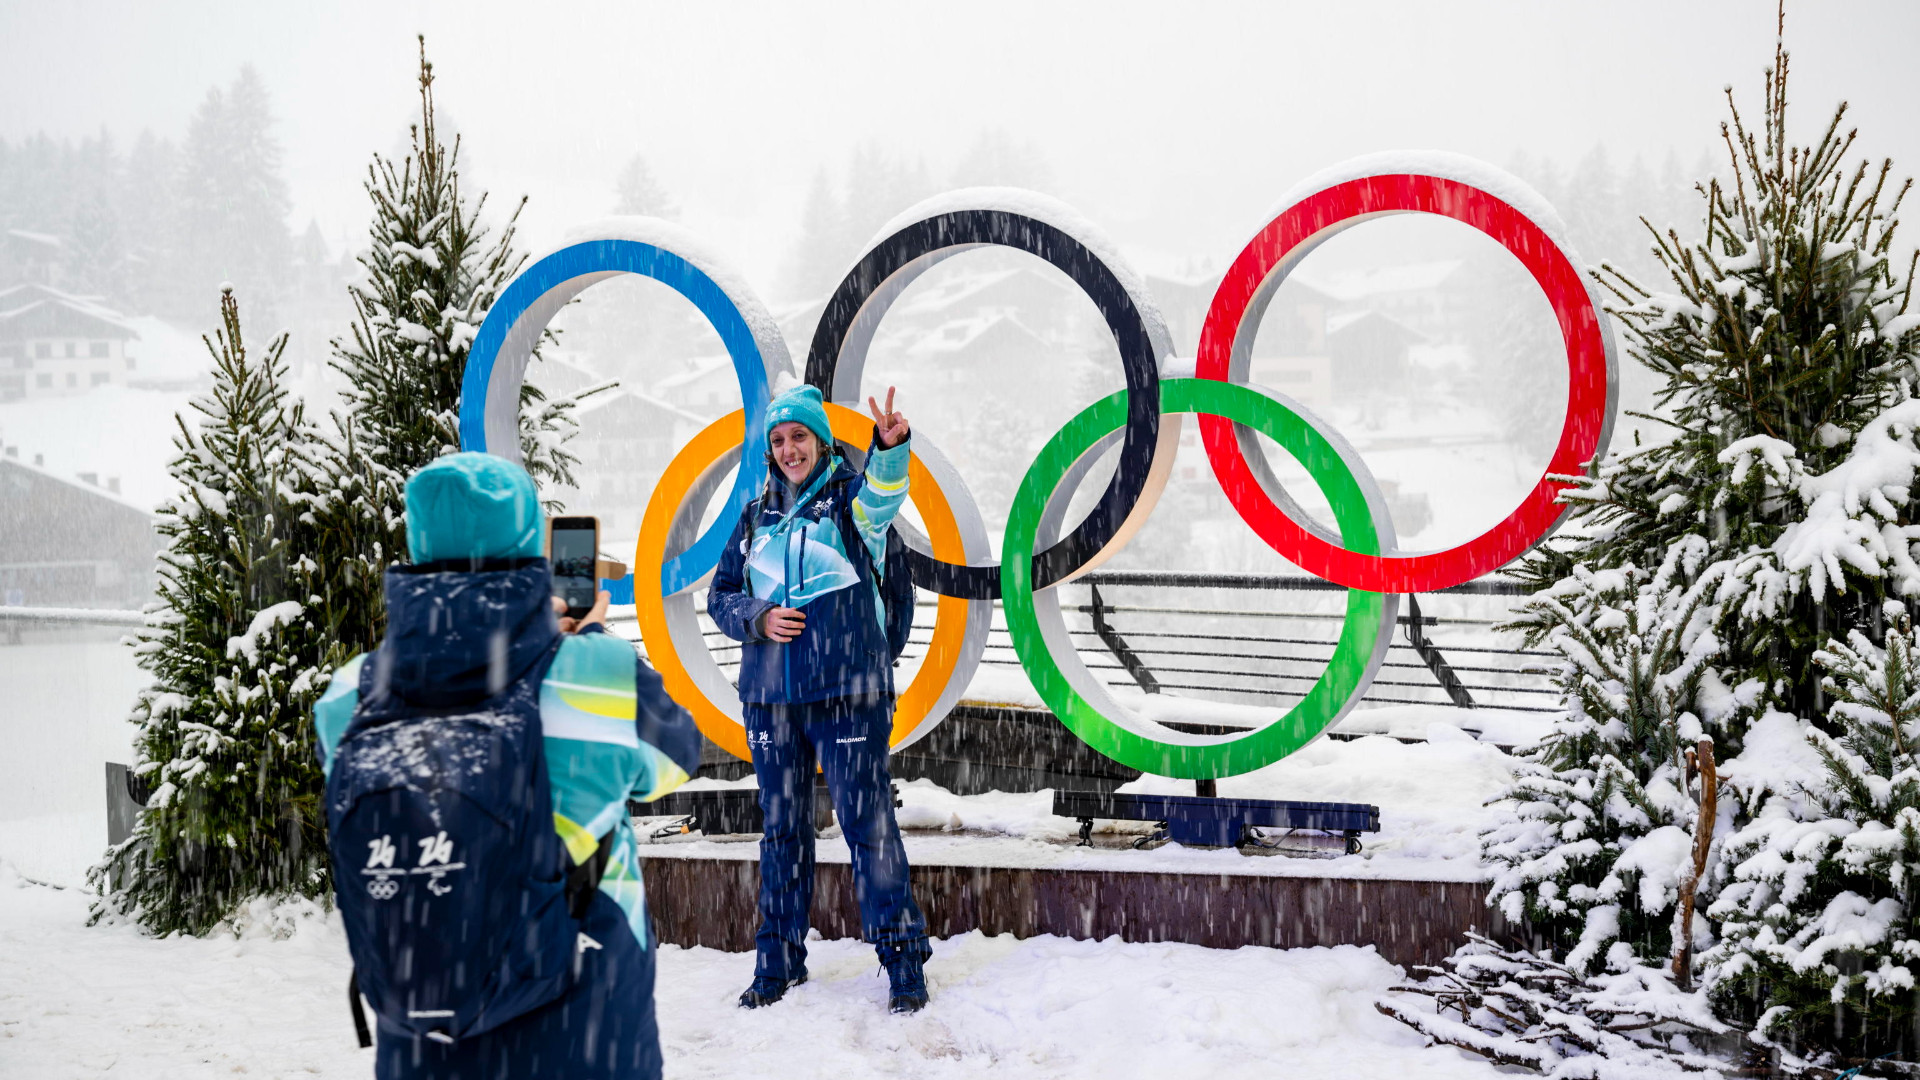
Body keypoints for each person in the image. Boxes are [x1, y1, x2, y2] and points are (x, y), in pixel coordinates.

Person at [313, 452, 702, 1080]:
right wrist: (586, 638)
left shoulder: (350, 696)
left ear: (416, 543)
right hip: (584, 1029)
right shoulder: (595, 675)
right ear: (532, 546)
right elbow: (675, 758)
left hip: (425, 1036)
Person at [708, 382, 933, 1014]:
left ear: (820, 440)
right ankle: (777, 963)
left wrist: (888, 450)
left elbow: (886, 495)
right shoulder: (754, 517)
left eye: (798, 437)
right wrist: (756, 617)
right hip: (772, 702)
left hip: (846, 695)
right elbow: (720, 595)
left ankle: (903, 964)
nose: (788, 450)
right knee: (782, 834)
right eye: (778, 441)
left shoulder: (850, 507)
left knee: (867, 827)